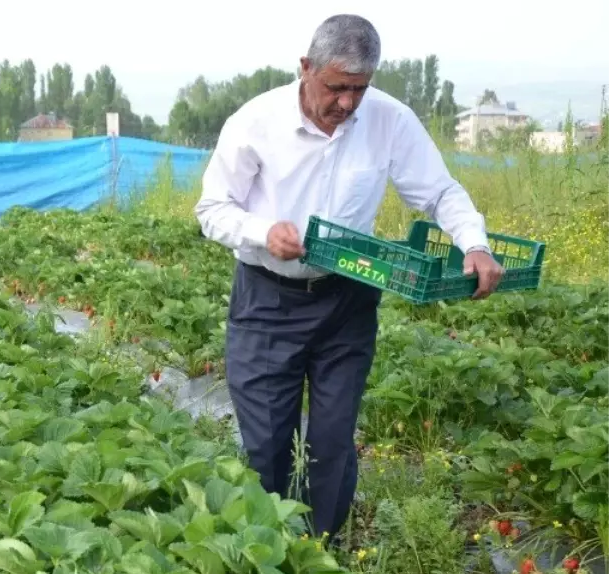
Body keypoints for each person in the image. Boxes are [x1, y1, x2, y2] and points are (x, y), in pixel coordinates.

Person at [194, 14, 503, 542]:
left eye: (359, 90)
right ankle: (267, 553)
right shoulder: (256, 121)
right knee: (268, 444)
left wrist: (473, 243)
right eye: (337, 88)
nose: (346, 103)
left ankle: (321, 551)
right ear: (306, 68)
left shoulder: (389, 120)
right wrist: (263, 230)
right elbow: (212, 208)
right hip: (268, 300)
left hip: (348, 301)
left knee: (332, 442)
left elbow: (439, 192)